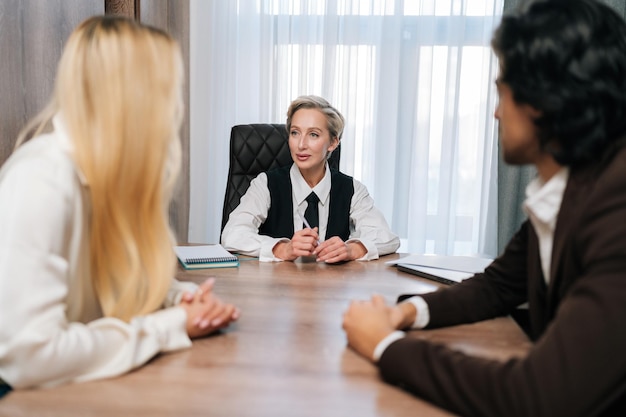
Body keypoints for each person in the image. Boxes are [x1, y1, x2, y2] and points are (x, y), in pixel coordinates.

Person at [342, 0, 626, 415]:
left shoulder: (616, 208)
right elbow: (498, 286)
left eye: (502, 90)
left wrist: (385, 346)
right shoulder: (576, 186)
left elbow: (537, 396)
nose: (495, 112)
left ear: (542, 101)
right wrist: (405, 313)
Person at [0, 16, 239, 392]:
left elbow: (103, 290)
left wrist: (179, 299)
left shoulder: (105, 174)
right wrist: (171, 325)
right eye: (167, 93)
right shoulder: (41, 180)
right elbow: (29, 356)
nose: (173, 110)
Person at [221, 95, 399, 263]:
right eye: (295, 133)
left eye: (313, 134)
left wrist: (353, 249)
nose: (301, 145)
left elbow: (387, 238)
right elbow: (232, 234)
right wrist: (281, 249)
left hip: (332, 289)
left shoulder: (352, 189)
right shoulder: (265, 184)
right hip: (276, 289)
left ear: (333, 143)